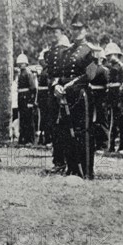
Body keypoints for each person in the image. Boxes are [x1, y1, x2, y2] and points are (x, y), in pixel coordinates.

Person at [55, 14, 98, 178]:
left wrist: (71, 84)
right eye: (74, 28)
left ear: (85, 30)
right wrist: (57, 86)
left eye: (80, 28)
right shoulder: (66, 52)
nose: (77, 31)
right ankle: (72, 168)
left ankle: (86, 171)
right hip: (66, 96)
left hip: (81, 95)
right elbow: (60, 75)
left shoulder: (90, 51)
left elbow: (91, 75)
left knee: (83, 132)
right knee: (67, 131)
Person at [43, 18, 71, 174]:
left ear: (62, 32)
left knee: (63, 127)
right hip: (52, 92)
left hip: (62, 91)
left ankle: (65, 161)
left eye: (55, 31)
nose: (52, 34)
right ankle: (58, 161)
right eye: (50, 32)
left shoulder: (66, 49)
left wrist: (58, 85)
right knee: (54, 127)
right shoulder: (51, 51)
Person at [104, 41, 123, 156]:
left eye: (111, 55)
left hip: (121, 100)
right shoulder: (110, 68)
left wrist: (122, 100)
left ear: (117, 55)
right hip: (113, 100)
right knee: (113, 124)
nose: (109, 58)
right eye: (108, 56)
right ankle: (111, 146)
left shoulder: (122, 68)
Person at [90, 47, 110, 152]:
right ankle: (97, 144)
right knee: (94, 122)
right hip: (92, 98)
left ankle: (104, 145)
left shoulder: (104, 70)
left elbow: (107, 87)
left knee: (102, 121)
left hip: (101, 99)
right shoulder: (91, 69)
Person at [16, 53, 36, 145]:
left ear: (26, 63)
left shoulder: (28, 73)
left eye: (22, 63)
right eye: (19, 63)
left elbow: (33, 88)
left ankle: (30, 140)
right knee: (23, 120)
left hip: (27, 98)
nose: (20, 65)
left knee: (28, 120)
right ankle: (23, 139)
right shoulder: (21, 73)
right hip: (21, 99)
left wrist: (31, 101)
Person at [36, 49, 51, 145]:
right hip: (42, 98)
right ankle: (43, 137)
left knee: (48, 118)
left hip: (47, 97)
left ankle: (48, 138)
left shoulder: (48, 70)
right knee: (43, 118)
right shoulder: (44, 70)